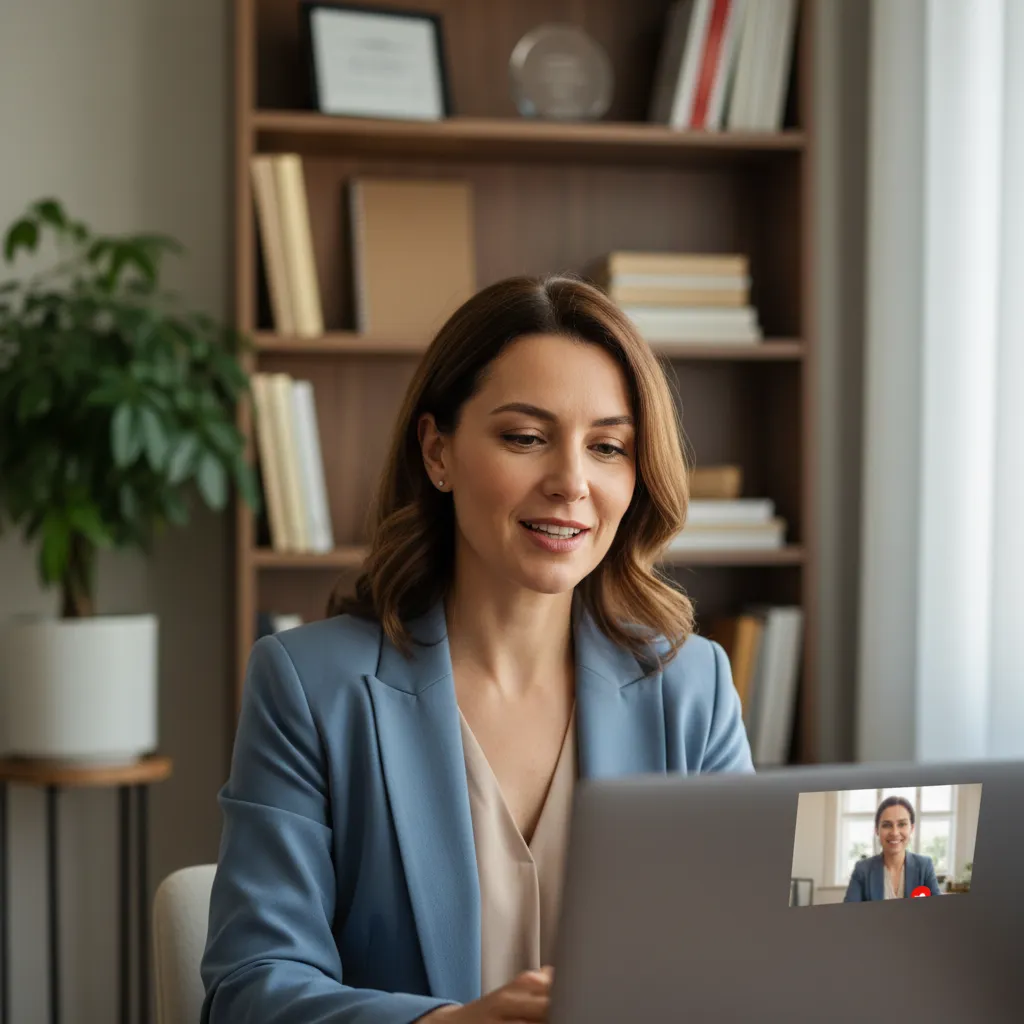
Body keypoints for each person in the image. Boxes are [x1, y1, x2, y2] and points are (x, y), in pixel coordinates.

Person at [200, 275, 755, 1024]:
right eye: (525, 437)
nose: (571, 482)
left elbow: (746, 961)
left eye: (608, 447)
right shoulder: (309, 686)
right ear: (438, 452)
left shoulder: (692, 686)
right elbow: (250, 988)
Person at [843, 796, 942, 901]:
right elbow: (849, 914)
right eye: (887, 825)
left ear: (911, 829)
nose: (894, 832)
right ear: (877, 830)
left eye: (902, 824)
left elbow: (938, 912)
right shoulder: (862, 870)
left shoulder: (924, 866)